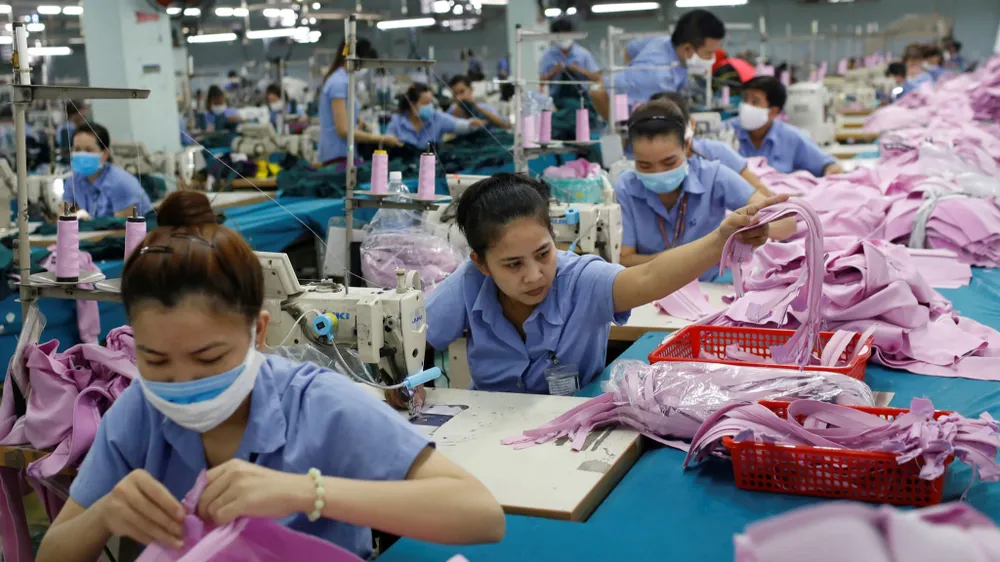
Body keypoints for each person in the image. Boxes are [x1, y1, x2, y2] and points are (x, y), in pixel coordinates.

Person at [35, 191, 506, 562]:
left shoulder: (319, 404)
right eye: (156, 361)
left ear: (259, 332)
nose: (182, 382)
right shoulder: (140, 411)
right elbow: (53, 553)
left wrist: (308, 493)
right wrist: (104, 514)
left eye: (208, 358)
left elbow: (480, 515)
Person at [424, 173, 787, 393]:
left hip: (570, 424)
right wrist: (405, 383)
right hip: (489, 422)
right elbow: (416, 336)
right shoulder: (468, 283)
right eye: (513, 264)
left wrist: (720, 239)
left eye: (543, 253)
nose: (534, 275)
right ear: (482, 264)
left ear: (554, 237)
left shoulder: (582, 280)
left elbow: (649, 276)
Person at [616, 100, 794, 278]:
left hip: (710, 281)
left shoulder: (713, 176)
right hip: (652, 286)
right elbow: (624, 259)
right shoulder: (626, 187)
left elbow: (787, 223)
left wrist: (757, 228)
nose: (658, 172)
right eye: (645, 165)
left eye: (669, 162)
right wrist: (691, 256)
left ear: (687, 146)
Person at [592, 9, 726, 120]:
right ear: (687, 49)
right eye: (709, 53)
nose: (712, 58)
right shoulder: (656, 75)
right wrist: (619, 129)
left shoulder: (665, 42)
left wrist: (631, 70)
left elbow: (631, 49)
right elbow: (597, 90)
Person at [649, 91, 771, 195]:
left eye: (673, 126)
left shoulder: (715, 155)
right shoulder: (645, 162)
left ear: (691, 124)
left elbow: (760, 191)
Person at [318, 38, 403, 167]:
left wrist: (358, 120)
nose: (365, 69)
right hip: (336, 156)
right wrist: (381, 138)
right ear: (355, 59)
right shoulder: (338, 83)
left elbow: (343, 113)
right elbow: (343, 131)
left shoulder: (343, 80)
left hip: (344, 154)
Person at [734, 77, 843, 177]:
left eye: (755, 102)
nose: (746, 106)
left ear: (773, 111)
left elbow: (829, 166)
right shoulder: (728, 131)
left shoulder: (792, 138)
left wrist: (830, 174)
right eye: (745, 99)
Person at [63, 123, 153, 219]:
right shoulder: (73, 180)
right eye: (77, 150)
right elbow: (64, 213)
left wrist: (87, 222)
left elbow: (121, 226)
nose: (81, 155)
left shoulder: (121, 183)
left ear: (105, 154)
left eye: (88, 150)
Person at [386, 83, 485, 149]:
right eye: (425, 103)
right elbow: (387, 139)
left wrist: (473, 123)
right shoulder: (397, 121)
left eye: (430, 102)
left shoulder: (437, 118)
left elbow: (462, 125)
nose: (430, 106)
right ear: (412, 104)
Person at [539, 18, 602, 91]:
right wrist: (553, 72)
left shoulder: (583, 54)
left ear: (572, 34)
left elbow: (597, 78)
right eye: (560, 36)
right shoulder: (548, 55)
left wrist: (579, 69)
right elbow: (540, 82)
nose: (563, 38)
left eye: (565, 35)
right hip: (556, 97)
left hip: (581, 96)